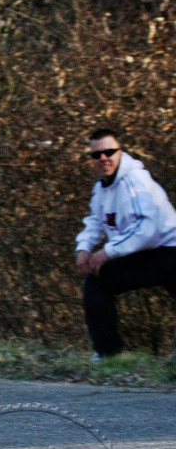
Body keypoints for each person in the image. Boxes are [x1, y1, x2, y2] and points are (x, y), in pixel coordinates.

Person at [75, 128, 176, 360]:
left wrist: (108, 252)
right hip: (153, 252)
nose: (103, 158)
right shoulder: (102, 187)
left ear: (120, 152)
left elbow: (147, 229)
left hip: (168, 251)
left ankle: (108, 354)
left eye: (109, 152)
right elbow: (95, 221)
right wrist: (84, 247)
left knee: (99, 280)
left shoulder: (135, 180)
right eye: (96, 155)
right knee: (98, 278)